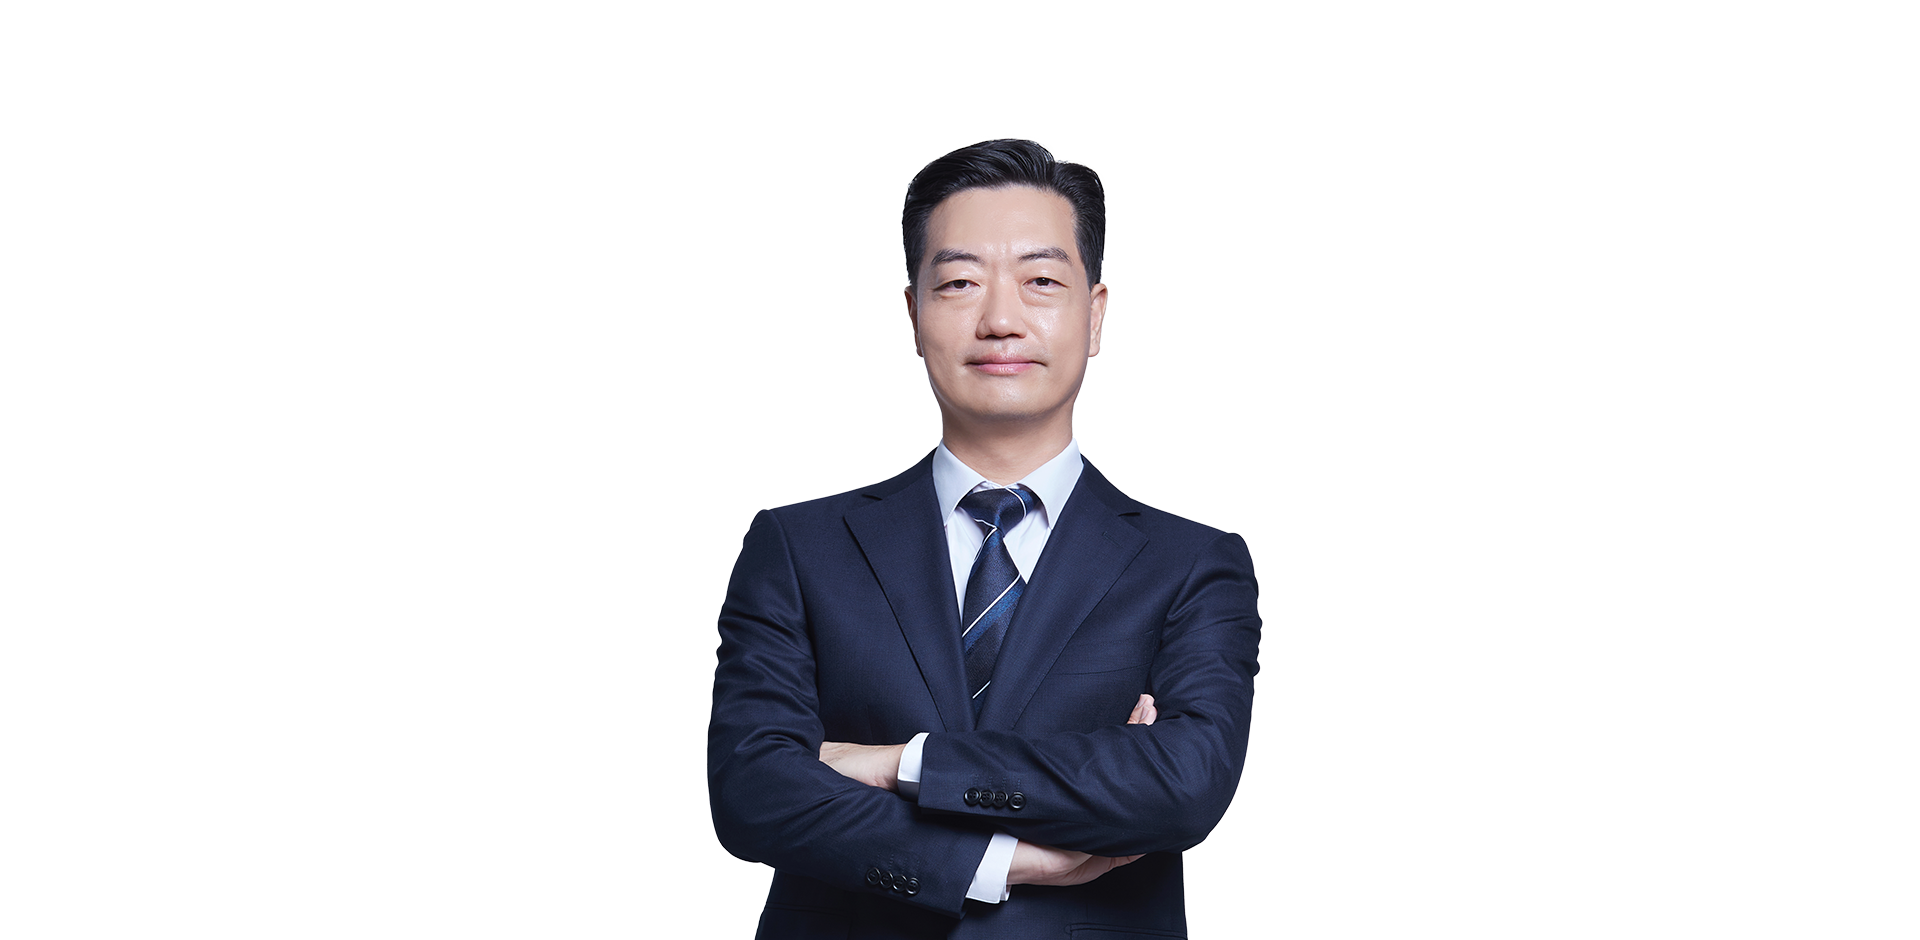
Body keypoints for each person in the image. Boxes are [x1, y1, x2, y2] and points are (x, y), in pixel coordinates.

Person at [707, 137, 1261, 939]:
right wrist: (1001, 859)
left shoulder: (1193, 566)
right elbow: (753, 793)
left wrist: (895, 763)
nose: (1001, 320)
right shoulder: (798, 548)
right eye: (960, 283)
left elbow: (1181, 785)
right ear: (914, 313)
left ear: (1095, 315)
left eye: (1041, 281)